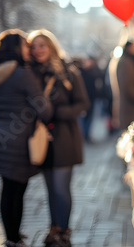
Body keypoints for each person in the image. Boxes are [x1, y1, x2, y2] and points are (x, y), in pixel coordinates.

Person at [0, 29, 53, 247]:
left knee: (7, 189)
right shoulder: (21, 74)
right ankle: (14, 238)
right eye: (25, 46)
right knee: (17, 190)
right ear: (16, 49)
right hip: (18, 140)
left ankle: (11, 236)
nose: (29, 50)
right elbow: (43, 109)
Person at [27, 29, 90, 247]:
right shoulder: (30, 74)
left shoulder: (68, 73)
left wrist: (58, 111)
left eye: (42, 45)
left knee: (61, 188)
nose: (37, 50)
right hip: (42, 139)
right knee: (50, 190)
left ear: (51, 47)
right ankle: (53, 228)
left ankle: (63, 231)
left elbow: (83, 104)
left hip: (65, 138)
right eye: (33, 46)